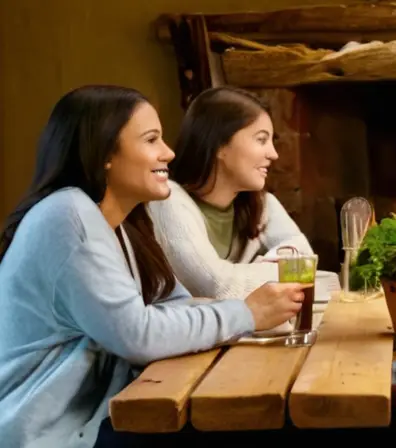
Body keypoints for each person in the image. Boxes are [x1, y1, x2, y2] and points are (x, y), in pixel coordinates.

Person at [0, 85, 309, 448]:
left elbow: (175, 303)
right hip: (53, 435)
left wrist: (238, 312)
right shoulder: (68, 216)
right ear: (105, 155)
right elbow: (138, 335)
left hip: (102, 415)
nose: (169, 152)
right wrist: (245, 314)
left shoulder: (123, 227)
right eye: (151, 140)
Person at [147, 86, 316, 301]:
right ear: (219, 145)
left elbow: (305, 260)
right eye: (261, 140)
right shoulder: (168, 201)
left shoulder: (262, 203)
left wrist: (245, 274)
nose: (273, 154)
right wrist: (277, 269)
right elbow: (216, 287)